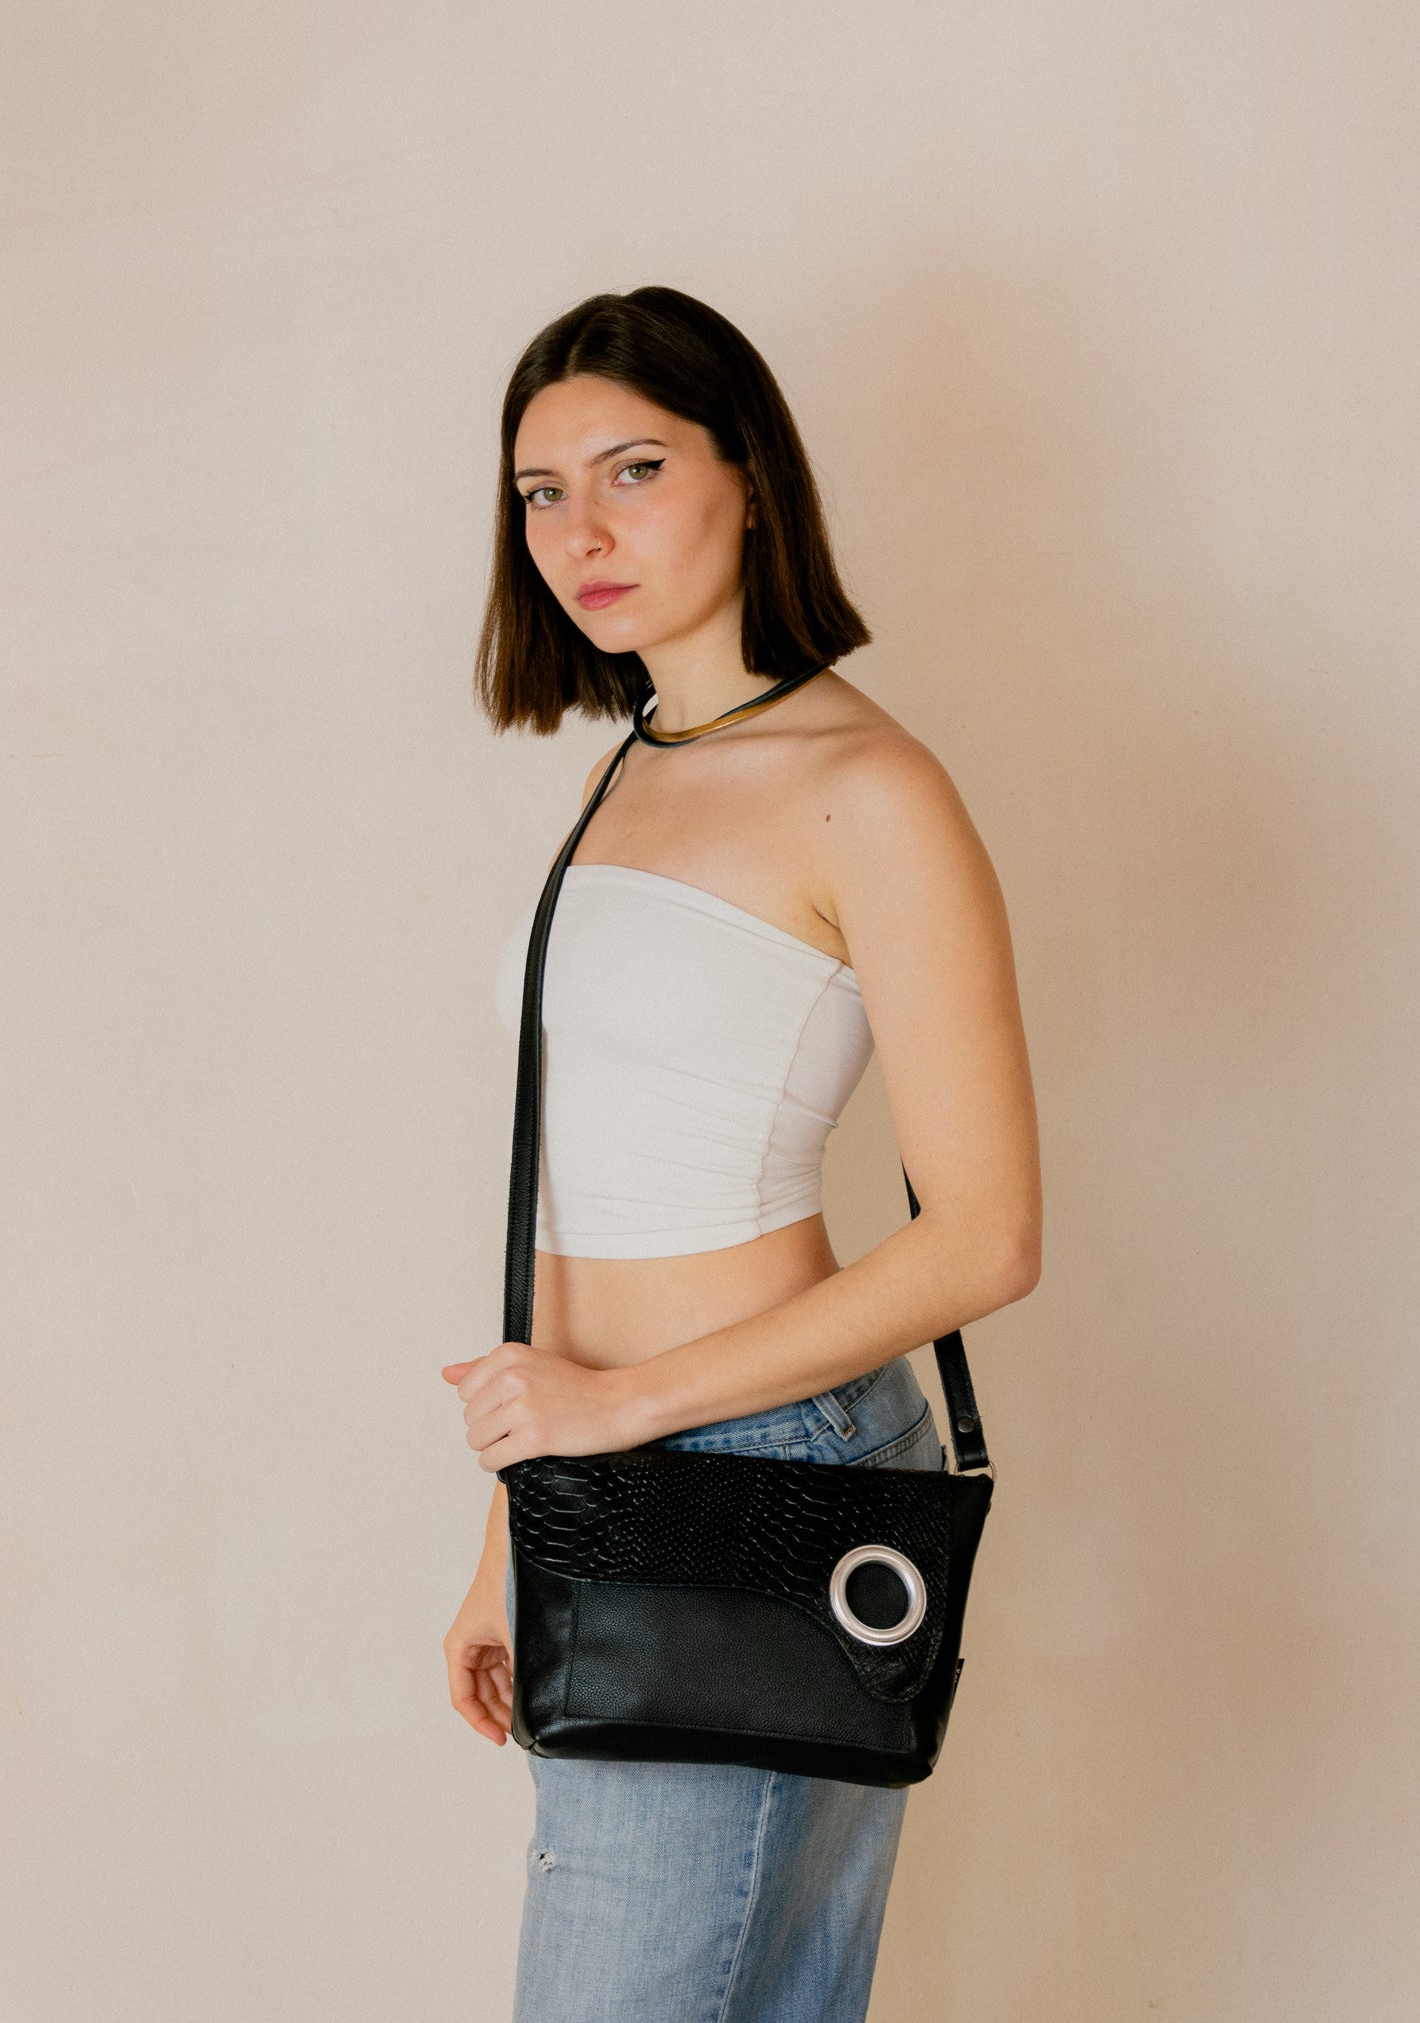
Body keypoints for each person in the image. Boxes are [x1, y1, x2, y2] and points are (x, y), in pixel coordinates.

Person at [440, 285, 1042, 2022]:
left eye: (633, 468)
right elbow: (583, 1174)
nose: (581, 529)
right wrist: (512, 1530)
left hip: (756, 1469)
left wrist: (619, 1415)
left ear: (751, 477)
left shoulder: (869, 785)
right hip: (603, 1471)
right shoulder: (629, 767)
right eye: (540, 491)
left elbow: (986, 1238)